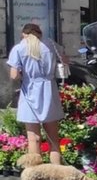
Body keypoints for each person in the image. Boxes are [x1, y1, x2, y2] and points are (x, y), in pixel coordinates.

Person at [7, 24, 65, 165]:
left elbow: (14, 75)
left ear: (24, 34)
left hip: (30, 90)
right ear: (40, 33)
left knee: (34, 138)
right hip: (49, 90)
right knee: (53, 138)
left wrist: (24, 75)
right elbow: (65, 60)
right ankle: (56, 175)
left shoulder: (19, 48)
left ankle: (37, 179)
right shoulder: (50, 44)